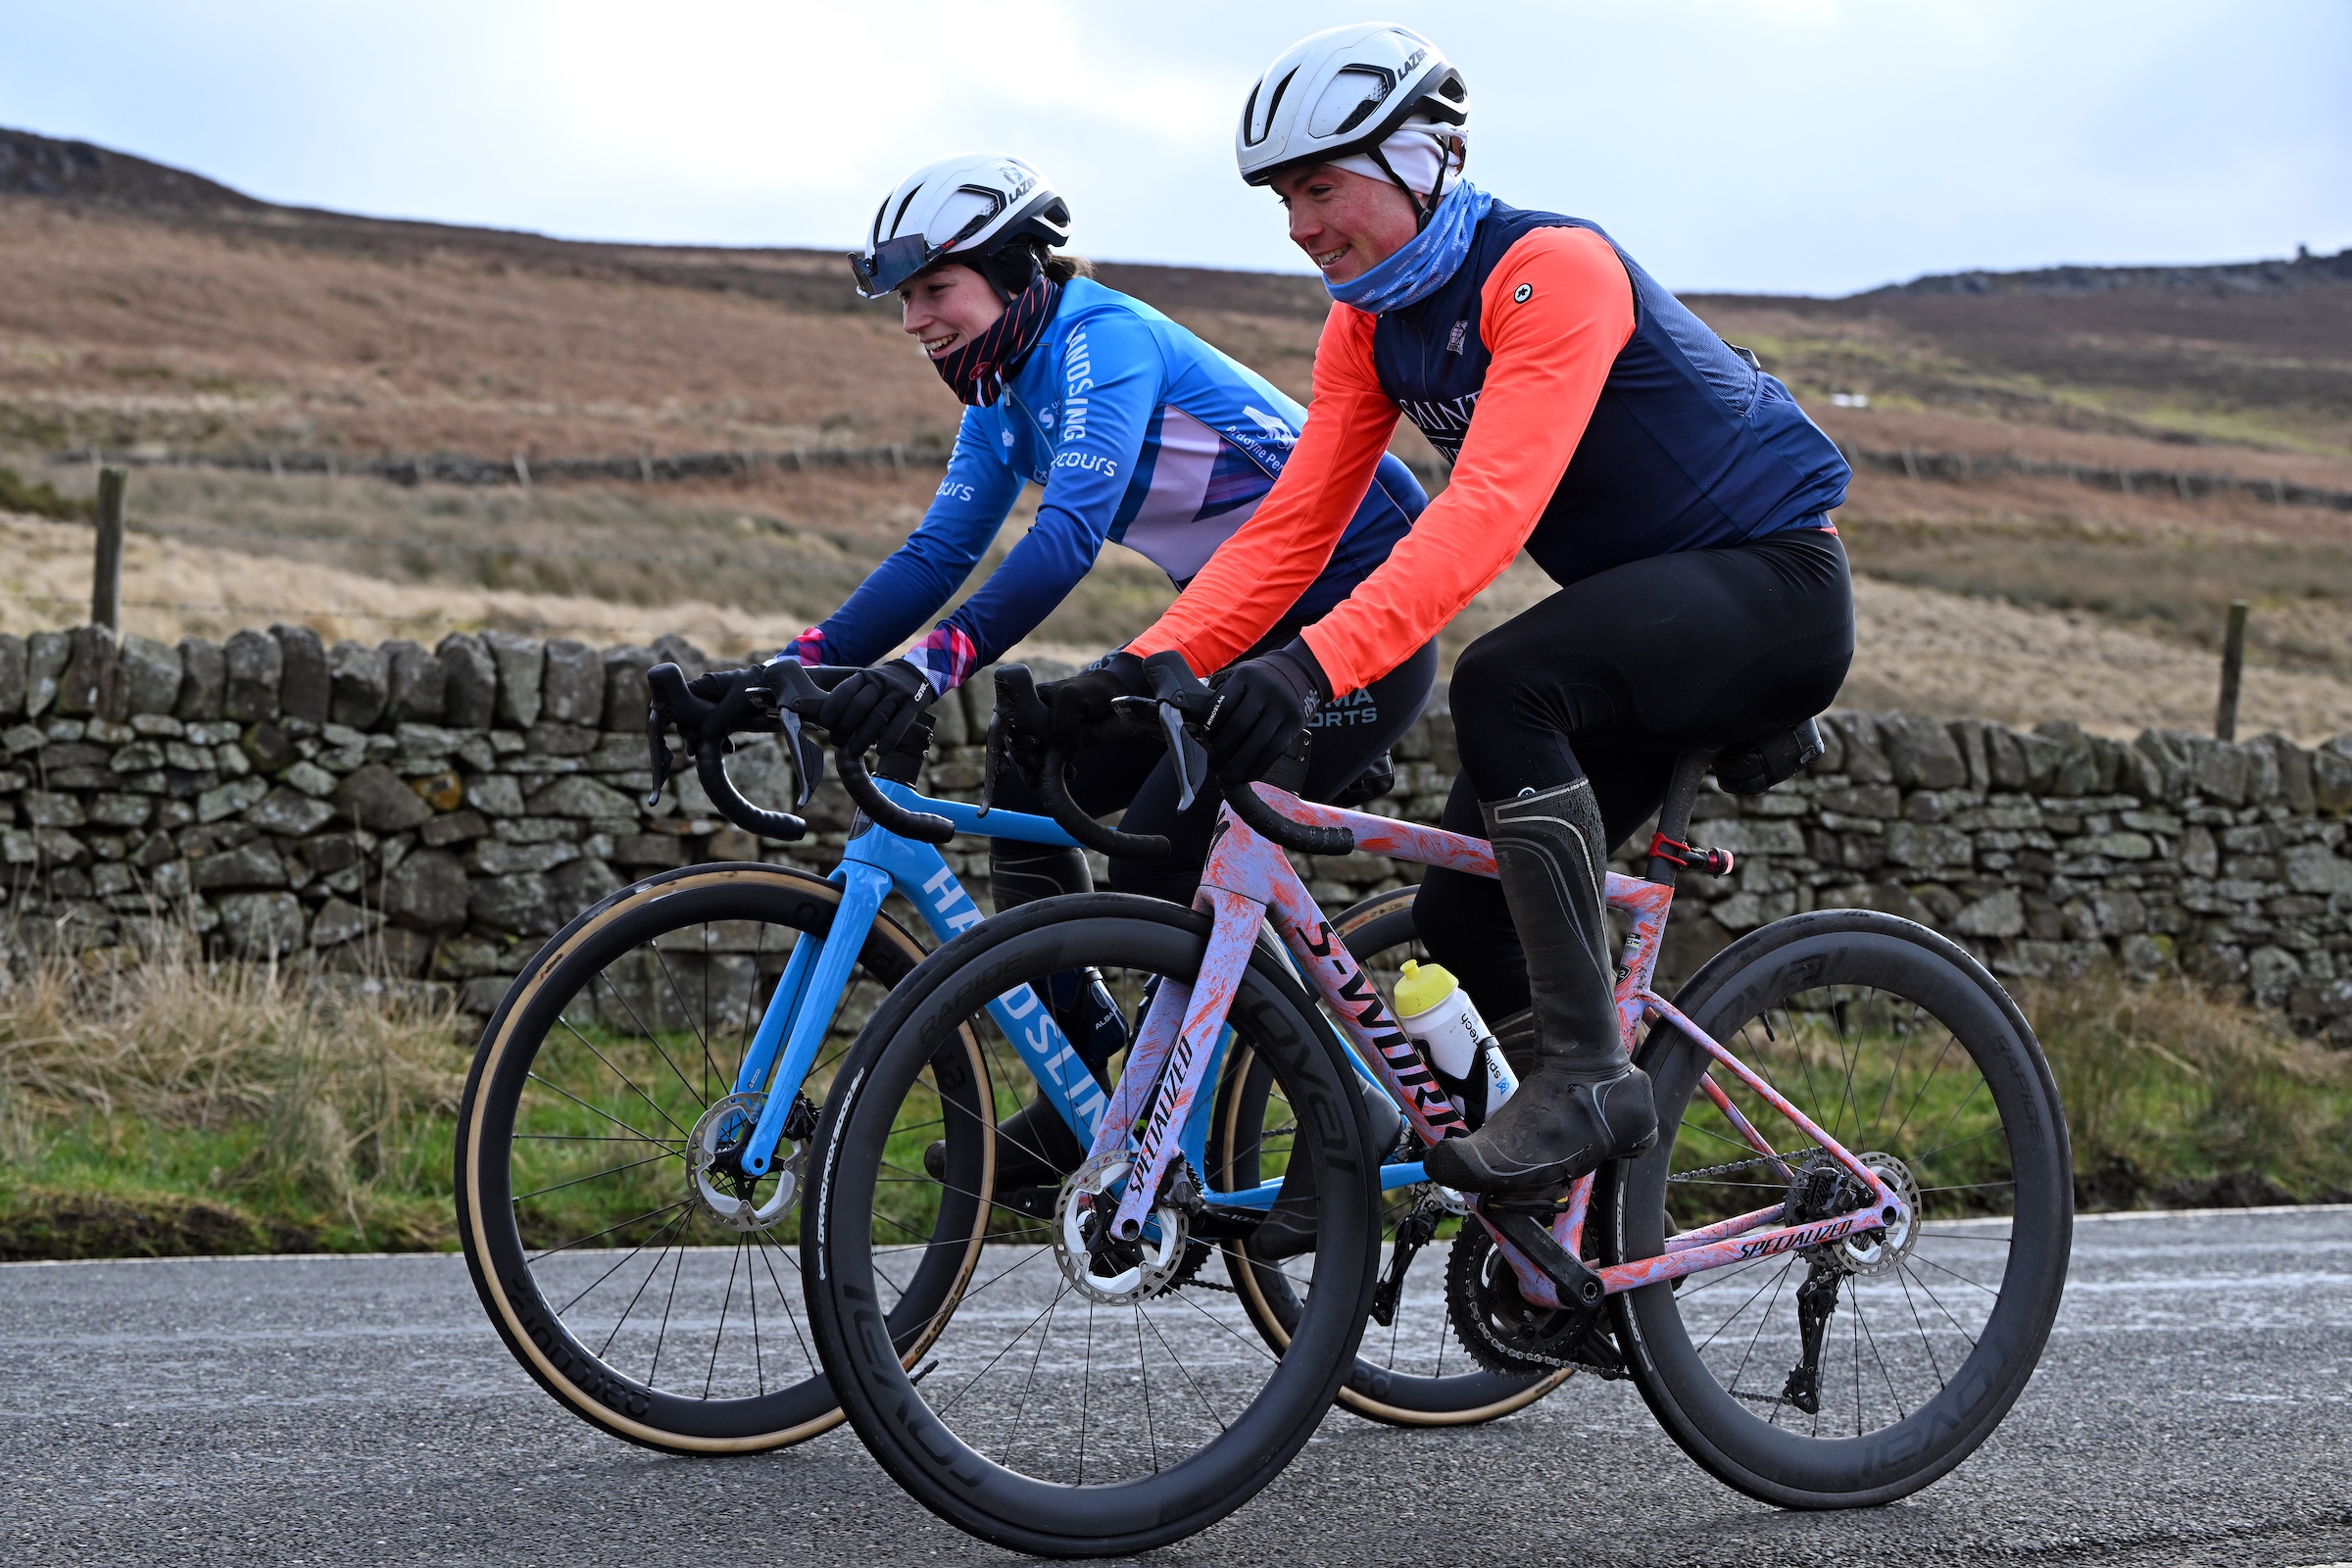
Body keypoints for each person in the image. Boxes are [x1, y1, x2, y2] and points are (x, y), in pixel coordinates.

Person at [1037, 25, 1856, 1200]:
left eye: (1323, 187)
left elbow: (1484, 510)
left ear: (1427, 160)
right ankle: (1554, 1228)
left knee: (1499, 680)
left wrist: (1311, 671)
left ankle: (1587, 1081)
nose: (1300, 226)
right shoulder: (1366, 326)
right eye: (1283, 198)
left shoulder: (1550, 270)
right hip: (1644, 632)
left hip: (1772, 589)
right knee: (1464, 930)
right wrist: (1144, 663)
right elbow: (1290, 530)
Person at [698, 152, 1433, 1190]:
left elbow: (1065, 540)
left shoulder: (1102, 339)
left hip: (1356, 629)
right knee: (1030, 755)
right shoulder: (1004, 395)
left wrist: (923, 672)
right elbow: (938, 555)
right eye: (905, 299)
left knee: (1157, 849)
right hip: (1227, 638)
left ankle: (1356, 1116)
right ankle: (1091, 1085)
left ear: (1010, 273)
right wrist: (786, 667)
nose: (915, 321)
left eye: (933, 290)